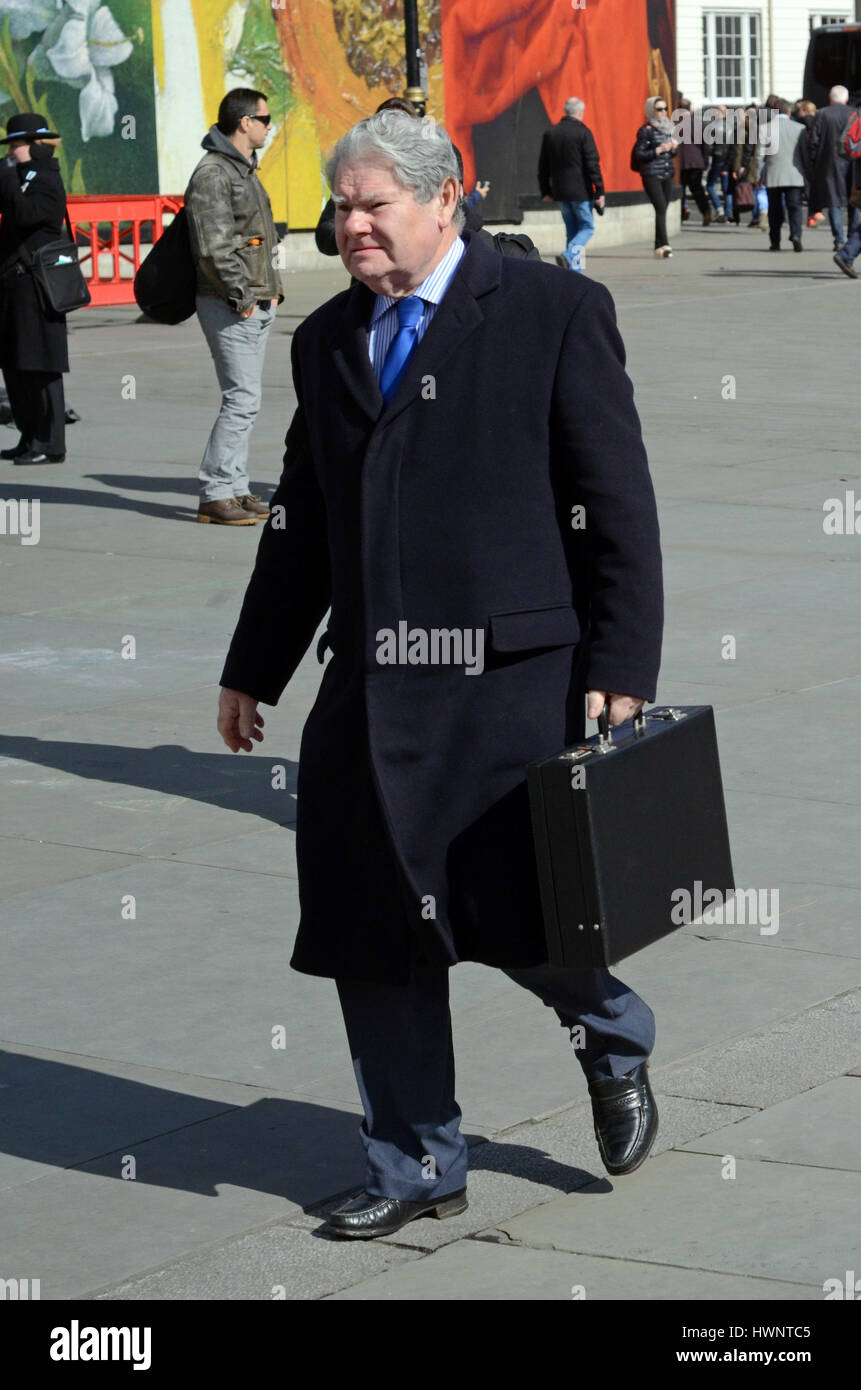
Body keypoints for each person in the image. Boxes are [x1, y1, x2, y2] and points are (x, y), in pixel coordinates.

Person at [217, 109, 664, 1240]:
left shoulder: (554, 314)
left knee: (516, 917)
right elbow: (304, 521)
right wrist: (253, 666)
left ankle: (610, 1034)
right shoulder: (326, 342)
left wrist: (621, 658)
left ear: (444, 200)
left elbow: (616, 503)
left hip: (512, 685)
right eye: (343, 207)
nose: (352, 225)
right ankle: (418, 1160)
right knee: (374, 928)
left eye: (375, 204)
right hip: (369, 696)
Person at [185, 88, 283, 526]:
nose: (269, 125)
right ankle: (215, 492)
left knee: (247, 399)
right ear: (245, 122)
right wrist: (244, 297)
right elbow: (214, 247)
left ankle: (236, 488)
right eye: (265, 118)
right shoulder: (213, 173)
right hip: (229, 303)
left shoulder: (241, 169)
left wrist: (271, 292)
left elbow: (257, 239)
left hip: (255, 300)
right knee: (240, 399)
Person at [0, 113, 69, 465]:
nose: (12, 152)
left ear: (36, 145)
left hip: (38, 284)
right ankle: (28, 437)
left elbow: (28, 214)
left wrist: (9, 179)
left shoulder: (46, 179)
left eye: (18, 145)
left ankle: (50, 442)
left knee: (41, 364)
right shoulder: (17, 177)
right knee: (15, 364)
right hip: (13, 284)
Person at [538, 96, 606, 271]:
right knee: (587, 227)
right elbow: (592, 164)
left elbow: (543, 165)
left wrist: (545, 189)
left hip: (560, 191)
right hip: (580, 191)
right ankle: (569, 256)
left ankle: (574, 272)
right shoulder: (583, 132)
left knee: (572, 230)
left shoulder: (551, 133)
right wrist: (599, 191)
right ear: (581, 113)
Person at [808, 86, 858, 250]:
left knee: (834, 201)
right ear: (846, 98)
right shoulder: (855, 113)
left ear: (830, 98)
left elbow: (814, 141)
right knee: (854, 201)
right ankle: (852, 238)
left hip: (829, 163)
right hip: (853, 162)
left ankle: (839, 240)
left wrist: (815, 163)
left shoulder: (822, 114)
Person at [758, 97, 806, 252]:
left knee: (774, 210)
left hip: (773, 174)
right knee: (795, 207)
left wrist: (759, 175)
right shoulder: (799, 128)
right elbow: (804, 153)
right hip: (794, 174)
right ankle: (796, 234)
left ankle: (775, 241)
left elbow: (759, 156)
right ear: (789, 111)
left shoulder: (765, 129)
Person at [633, 95, 679, 258]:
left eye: (665, 109)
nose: (663, 112)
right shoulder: (646, 130)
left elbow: (673, 153)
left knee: (663, 209)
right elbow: (640, 153)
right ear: (651, 110)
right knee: (660, 207)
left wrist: (672, 148)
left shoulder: (669, 128)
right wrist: (658, 150)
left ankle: (658, 246)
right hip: (652, 173)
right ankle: (665, 244)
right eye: (659, 109)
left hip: (667, 172)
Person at [675, 99, 711, 226]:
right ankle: (706, 212)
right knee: (697, 189)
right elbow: (705, 145)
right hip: (696, 161)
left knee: (680, 190)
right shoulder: (698, 123)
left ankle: (681, 213)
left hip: (681, 162)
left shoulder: (675, 123)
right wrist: (705, 161)